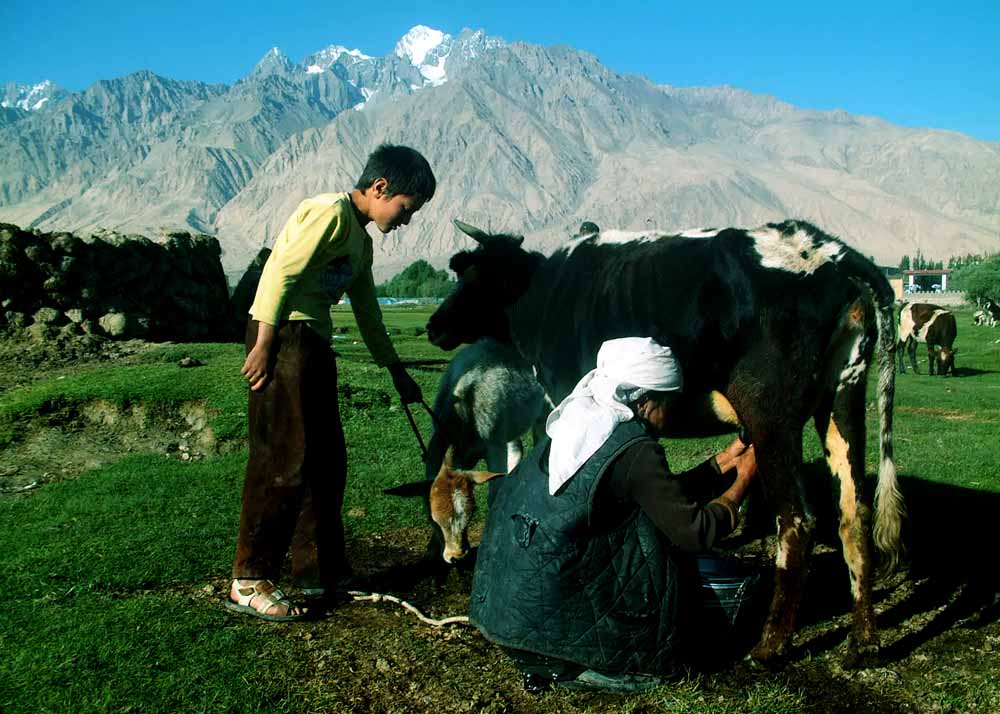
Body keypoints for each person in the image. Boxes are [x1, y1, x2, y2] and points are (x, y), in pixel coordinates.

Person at [469, 337, 759, 691]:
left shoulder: (583, 421)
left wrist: (725, 461)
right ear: (646, 401)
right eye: (672, 401)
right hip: (552, 625)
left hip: (511, 611)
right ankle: (586, 664)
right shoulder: (634, 450)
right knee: (673, 589)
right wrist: (742, 481)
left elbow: (658, 495)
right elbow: (694, 531)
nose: (675, 411)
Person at [226, 144, 435, 621]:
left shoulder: (361, 244)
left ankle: (317, 570)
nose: (405, 221)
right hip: (284, 337)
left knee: (325, 460)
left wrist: (396, 369)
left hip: (314, 345)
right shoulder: (329, 213)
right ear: (380, 188)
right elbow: (279, 271)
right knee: (283, 458)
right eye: (405, 208)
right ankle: (249, 577)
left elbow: (367, 312)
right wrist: (263, 343)